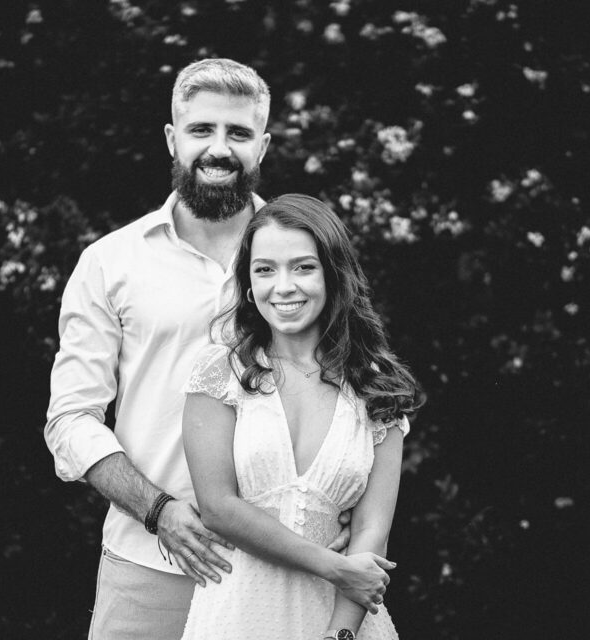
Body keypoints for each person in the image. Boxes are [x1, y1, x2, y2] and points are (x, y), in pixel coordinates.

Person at [45, 59, 350, 638]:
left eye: (238, 133)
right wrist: (158, 512)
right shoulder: (110, 262)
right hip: (149, 566)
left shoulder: (307, 260)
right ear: (172, 139)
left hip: (287, 572)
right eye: (201, 130)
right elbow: (71, 420)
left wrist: (351, 502)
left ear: (263, 146)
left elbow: (349, 390)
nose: (219, 148)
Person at [179, 194, 424, 640]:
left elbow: (371, 532)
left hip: (340, 617)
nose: (283, 286)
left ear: (333, 275)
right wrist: (334, 567)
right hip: (237, 616)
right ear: (249, 286)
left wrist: (338, 636)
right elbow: (218, 508)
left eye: (303, 267)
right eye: (265, 269)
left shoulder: (378, 388)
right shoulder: (219, 373)